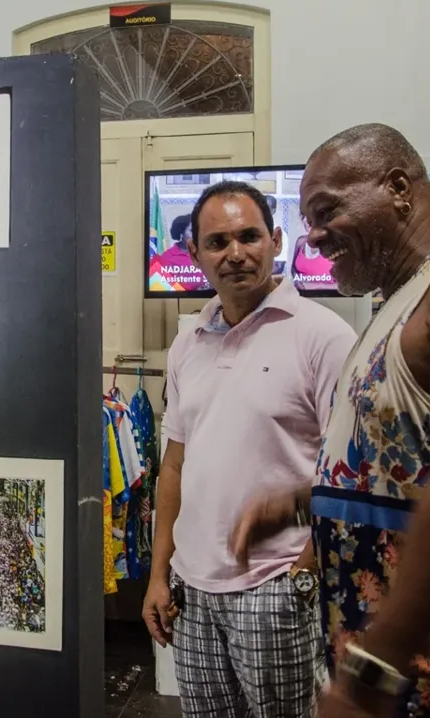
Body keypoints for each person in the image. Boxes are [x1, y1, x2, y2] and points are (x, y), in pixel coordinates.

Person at [229, 124, 430, 718]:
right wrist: (303, 501)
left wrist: (368, 676)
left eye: (324, 212)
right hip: (402, 677)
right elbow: (405, 471)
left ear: (398, 186)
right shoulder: (400, 302)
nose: (312, 238)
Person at [141, 180, 357, 718]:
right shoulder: (187, 341)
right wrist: (159, 574)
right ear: (194, 254)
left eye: (249, 236)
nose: (234, 253)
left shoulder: (323, 337)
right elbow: (174, 466)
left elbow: (352, 471)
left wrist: (303, 574)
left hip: (274, 587)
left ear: (276, 239)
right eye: (217, 242)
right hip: (191, 590)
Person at [286, 212, 336, 291]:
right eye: (303, 217)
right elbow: (293, 269)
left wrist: (318, 286)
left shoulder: (335, 244)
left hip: (329, 299)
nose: (305, 221)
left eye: (310, 217)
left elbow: (344, 285)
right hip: (301, 298)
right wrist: (299, 285)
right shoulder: (300, 241)